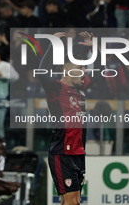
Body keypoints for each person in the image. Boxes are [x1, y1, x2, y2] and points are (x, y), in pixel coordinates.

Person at [38, 32, 104, 205]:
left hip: (78, 153)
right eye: (80, 67)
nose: (84, 71)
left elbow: (100, 70)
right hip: (62, 152)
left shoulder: (80, 88)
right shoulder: (56, 88)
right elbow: (42, 73)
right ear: (67, 70)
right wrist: (54, 45)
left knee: (69, 201)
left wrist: (93, 48)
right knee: (73, 202)